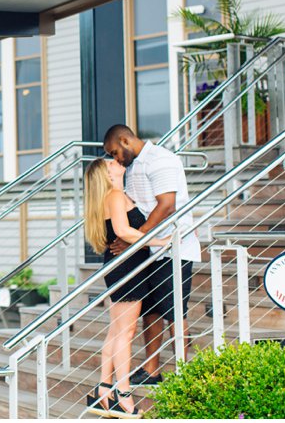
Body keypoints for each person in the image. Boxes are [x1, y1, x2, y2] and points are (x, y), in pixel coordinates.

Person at [102, 125, 201, 387]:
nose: (115, 159)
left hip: (173, 247)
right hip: (149, 250)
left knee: (174, 311)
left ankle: (185, 374)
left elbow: (166, 205)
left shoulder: (161, 160)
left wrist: (137, 239)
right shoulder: (131, 167)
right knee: (151, 312)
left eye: (114, 152)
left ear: (125, 140)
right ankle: (151, 370)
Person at [83, 157, 168, 419]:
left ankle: (103, 393)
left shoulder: (117, 195)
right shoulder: (115, 196)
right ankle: (123, 395)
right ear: (107, 174)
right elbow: (123, 231)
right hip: (126, 267)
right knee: (125, 333)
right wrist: (159, 241)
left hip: (123, 265)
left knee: (117, 331)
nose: (117, 161)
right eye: (111, 161)